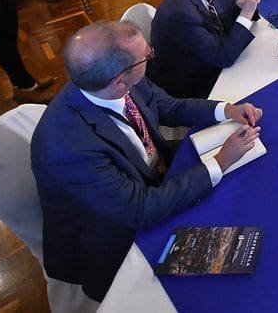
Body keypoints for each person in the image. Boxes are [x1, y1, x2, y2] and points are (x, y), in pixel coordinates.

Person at [31, 20, 263, 303]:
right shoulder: (66, 148)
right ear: (119, 80)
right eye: (146, 55)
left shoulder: (120, 82)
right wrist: (220, 161)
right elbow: (142, 210)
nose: (152, 54)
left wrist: (227, 110)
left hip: (153, 180)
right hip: (115, 241)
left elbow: (168, 107)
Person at [149, 0, 260, 98]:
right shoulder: (179, 13)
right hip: (193, 86)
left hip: (214, 62)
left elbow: (226, 20)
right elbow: (223, 57)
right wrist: (246, 13)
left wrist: (241, 5)